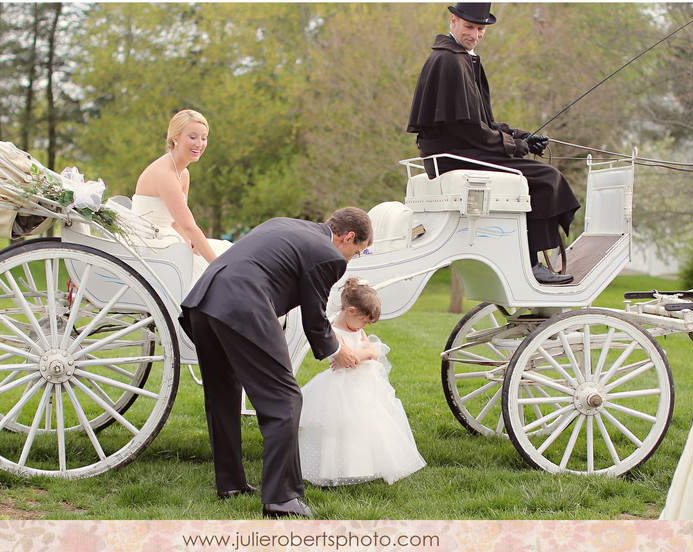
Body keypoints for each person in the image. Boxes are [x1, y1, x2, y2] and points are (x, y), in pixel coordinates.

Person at [179, 207, 373, 519]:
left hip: (204, 300)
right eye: (357, 251)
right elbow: (315, 318)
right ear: (348, 236)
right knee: (285, 399)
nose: (351, 259)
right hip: (243, 304)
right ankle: (282, 499)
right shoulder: (330, 255)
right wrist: (339, 350)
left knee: (223, 394)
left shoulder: (285, 223)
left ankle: (230, 484)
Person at [407, 3, 581, 285]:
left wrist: (522, 136)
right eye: (469, 27)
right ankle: (530, 263)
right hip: (457, 155)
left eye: (480, 29)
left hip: (458, 151)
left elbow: (481, 122)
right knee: (546, 178)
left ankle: (530, 259)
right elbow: (470, 130)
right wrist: (514, 146)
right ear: (453, 20)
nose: (475, 35)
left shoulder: (459, 58)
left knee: (541, 175)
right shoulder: (451, 61)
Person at [299, 278, 426, 487]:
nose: (364, 326)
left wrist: (363, 353)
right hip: (341, 387)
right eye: (364, 321)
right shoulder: (334, 332)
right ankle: (336, 468)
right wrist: (363, 354)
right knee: (341, 425)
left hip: (363, 385)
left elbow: (371, 353)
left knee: (367, 423)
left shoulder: (358, 329)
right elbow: (352, 357)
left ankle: (364, 465)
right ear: (351, 312)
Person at [133, 109, 231, 284]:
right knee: (216, 265)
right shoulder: (164, 174)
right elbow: (189, 226)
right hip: (151, 242)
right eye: (192, 137)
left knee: (226, 251)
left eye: (204, 138)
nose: (199, 144)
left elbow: (177, 222)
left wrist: (189, 243)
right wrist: (217, 266)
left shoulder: (183, 173)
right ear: (175, 138)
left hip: (168, 235)